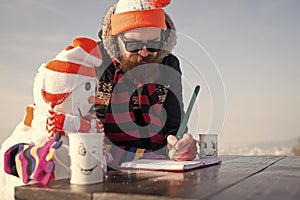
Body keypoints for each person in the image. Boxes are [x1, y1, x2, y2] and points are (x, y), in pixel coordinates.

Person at [92, 0, 197, 166]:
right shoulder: (95, 61)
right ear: (115, 40)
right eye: (133, 45)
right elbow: (84, 124)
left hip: (157, 163)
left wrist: (181, 145)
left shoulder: (169, 66)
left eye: (153, 44)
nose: (144, 52)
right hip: (105, 162)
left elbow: (175, 122)